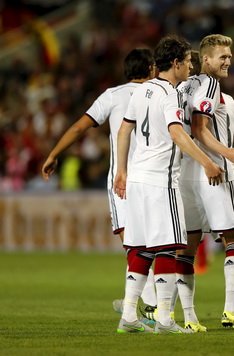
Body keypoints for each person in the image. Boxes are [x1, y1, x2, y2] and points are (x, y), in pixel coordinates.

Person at [113, 34, 224, 334]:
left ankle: (129, 316)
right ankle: (164, 319)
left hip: (137, 178)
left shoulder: (141, 90)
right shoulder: (170, 94)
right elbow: (177, 133)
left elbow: (124, 131)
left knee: (140, 249)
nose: (190, 67)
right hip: (162, 181)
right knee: (166, 248)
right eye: (188, 62)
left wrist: (121, 170)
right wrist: (208, 162)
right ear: (175, 63)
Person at [41, 48, 159, 313]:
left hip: (123, 180)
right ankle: (145, 305)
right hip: (156, 178)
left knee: (133, 245)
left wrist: (53, 154)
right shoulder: (163, 94)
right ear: (152, 69)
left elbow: (79, 127)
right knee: (159, 245)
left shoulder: (113, 96)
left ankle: (150, 308)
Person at [176, 35, 234, 332]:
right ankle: (229, 311)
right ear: (205, 60)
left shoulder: (183, 86)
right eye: (223, 56)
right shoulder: (210, 84)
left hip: (185, 174)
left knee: (187, 248)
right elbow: (200, 129)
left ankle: (190, 318)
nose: (228, 61)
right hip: (214, 173)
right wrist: (226, 153)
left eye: (230, 56)